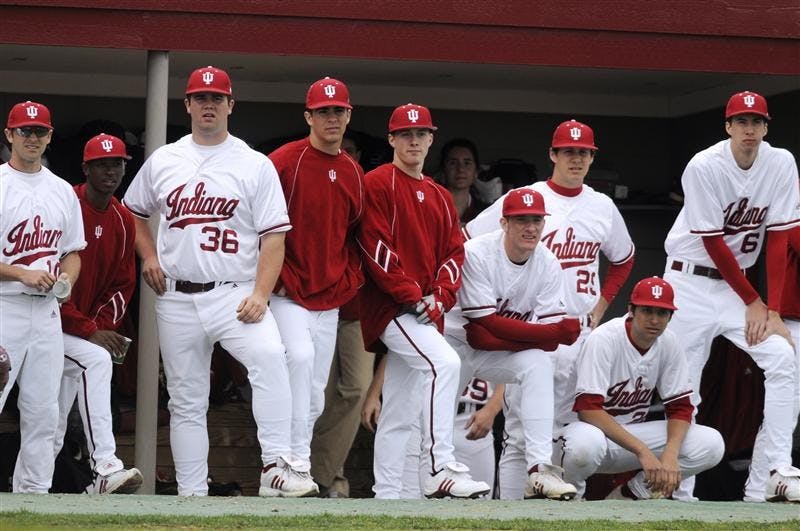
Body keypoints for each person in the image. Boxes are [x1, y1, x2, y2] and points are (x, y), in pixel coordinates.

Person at [123, 66, 314, 497]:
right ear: (187, 105)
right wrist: (149, 254)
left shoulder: (253, 163)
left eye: (216, 99)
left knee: (269, 357)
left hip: (234, 291)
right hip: (176, 296)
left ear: (230, 105)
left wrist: (262, 293)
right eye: (200, 98)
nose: (208, 105)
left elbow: (274, 237)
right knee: (186, 399)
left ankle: (276, 465)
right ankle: (193, 495)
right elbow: (132, 213)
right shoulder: (165, 159)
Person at [465, 119, 635, 499]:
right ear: (553, 155)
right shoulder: (529, 197)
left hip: (579, 333)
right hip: (527, 330)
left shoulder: (602, 206)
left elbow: (623, 258)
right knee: (520, 430)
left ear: (592, 158)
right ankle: (510, 508)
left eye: (584, 153)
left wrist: (603, 304)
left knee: (575, 430)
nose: (576, 159)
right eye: (569, 151)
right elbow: (470, 240)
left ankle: (562, 504)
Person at [663, 90, 799, 503]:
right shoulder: (704, 165)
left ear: (766, 127)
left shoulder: (780, 161)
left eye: (757, 122)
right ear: (727, 127)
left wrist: (771, 307)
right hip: (688, 282)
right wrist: (754, 300)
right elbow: (714, 244)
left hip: (735, 287)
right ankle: (679, 491)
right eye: (741, 122)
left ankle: (770, 477)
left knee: (782, 360)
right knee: (686, 386)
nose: (749, 129)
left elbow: (778, 238)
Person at [357, 103, 489, 499]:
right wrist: (415, 295)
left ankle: (387, 494)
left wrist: (439, 298)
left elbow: (454, 254)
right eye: (405, 134)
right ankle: (439, 467)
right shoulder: (378, 181)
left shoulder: (438, 195)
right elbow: (374, 246)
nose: (414, 141)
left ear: (430, 139)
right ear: (392, 139)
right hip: (391, 309)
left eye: (421, 134)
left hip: (424, 313)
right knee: (445, 362)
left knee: (398, 409)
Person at [447, 188, 581, 500]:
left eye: (536, 220)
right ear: (504, 223)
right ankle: (405, 490)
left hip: (493, 347)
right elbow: (480, 331)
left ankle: (538, 468)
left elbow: (540, 345)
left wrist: (548, 337)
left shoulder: (547, 262)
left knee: (536, 363)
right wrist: (556, 334)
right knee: (424, 421)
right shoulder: (478, 252)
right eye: (521, 220)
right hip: (452, 344)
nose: (530, 227)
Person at [267, 77, 364, 493]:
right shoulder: (284, 161)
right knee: (300, 362)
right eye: (323, 111)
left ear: (348, 115)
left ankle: (299, 468)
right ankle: (282, 463)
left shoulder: (353, 171)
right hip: (287, 292)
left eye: (338, 110)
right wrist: (276, 278)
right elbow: (260, 226)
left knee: (316, 392)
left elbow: (359, 236)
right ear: (308, 116)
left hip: (329, 297)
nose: (331, 117)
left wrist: (347, 280)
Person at [555, 277, 725, 500]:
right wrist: (643, 451)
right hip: (577, 437)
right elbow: (588, 410)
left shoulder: (669, 343)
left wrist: (670, 454)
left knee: (711, 443)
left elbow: (681, 408)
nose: (654, 320)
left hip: (627, 439)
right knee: (585, 444)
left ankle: (631, 495)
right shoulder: (604, 338)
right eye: (647, 310)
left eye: (662, 313)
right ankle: (571, 498)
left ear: (670, 317)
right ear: (631, 310)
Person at [0, 101, 86, 493]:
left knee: (43, 410)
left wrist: (65, 281)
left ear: (50, 136)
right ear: (9, 135)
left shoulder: (62, 190)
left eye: (39, 132)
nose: (31, 138)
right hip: (5, 306)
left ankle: (33, 495)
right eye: (24, 131)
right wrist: (20, 272)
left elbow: (72, 252)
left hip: (46, 313)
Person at [54, 133, 142, 494]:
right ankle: (105, 466)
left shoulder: (124, 219)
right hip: (44, 324)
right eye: (102, 164)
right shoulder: (65, 204)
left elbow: (122, 287)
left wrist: (99, 328)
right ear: (85, 168)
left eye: (117, 163)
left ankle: (32, 492)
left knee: (54, 422)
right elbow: (53, 280)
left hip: (77, 332)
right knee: (96, 361)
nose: (111, 171)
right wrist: (90, 331)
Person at [309, 128, 374, 498]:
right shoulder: (314, 182)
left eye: (351, 150)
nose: (344, 155)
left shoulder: (362, 188)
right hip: (315, 302)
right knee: (319, 394)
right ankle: (333, 480)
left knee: (354, 389)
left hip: (355, 305)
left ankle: (319, 474)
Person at [439, 138, 488, 224]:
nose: (461, 169)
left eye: (467, 163)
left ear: (476, 171)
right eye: (453, 163)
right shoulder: (430, 207)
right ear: (443, 170)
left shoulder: (485, 213)